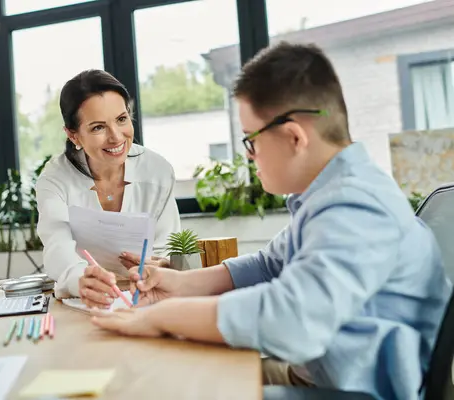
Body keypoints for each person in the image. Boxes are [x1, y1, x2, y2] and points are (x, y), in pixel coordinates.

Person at [90, 42, 452, 399]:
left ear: (294, 137)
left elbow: (291, 319)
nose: (249, 156)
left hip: (356, 391)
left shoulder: (357, 208)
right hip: (320, 374)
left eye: (251, 140)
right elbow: (267, 266)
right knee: (172, 378)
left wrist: (162, 316)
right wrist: (179, 284)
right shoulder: (329, 194)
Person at [35, 69, 180, 307]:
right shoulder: (55, 179)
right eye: (98, 128)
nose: (116, 137)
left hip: (148, 296)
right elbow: (56, 247)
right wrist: (79, 278)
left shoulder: (157, 171)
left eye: (122, 119)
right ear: (73, 136)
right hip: (84, 300)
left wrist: (162, 265)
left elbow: (168, 249)